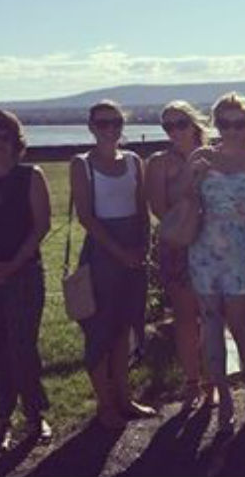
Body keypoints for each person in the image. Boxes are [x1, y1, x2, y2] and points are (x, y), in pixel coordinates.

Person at [184, 93, 245, 432]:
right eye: (224, 123)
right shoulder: (203, 155)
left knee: (240, 324)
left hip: (243, 247)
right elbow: (184, 199)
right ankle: (223, 398)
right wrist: (194, 177)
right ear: (215, 124)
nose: (232, 130)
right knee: (210, 325)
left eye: (239, 123)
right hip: (205, 247)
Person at [69, 101, 155, 429]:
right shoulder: (82, 164)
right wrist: (122, 253)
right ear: (91, 127)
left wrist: (142, 248)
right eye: (102, 123)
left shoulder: (134, 161)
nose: (110, 129)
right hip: (104, 254)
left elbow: (141, 210)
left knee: (124, 328)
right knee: (100, 330)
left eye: (115, 122)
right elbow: (86, 217)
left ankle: (124, 397)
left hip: (134, 253)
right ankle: (104, 405)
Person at [0, 109, 52, 450]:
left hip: (23, 274)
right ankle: (2, 420)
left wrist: (11, 266)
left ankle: (35, 416)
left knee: (22, 348)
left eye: (4, 136)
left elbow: (41, 226)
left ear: (15, 140)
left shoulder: (30, 176)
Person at [145, 101, 211, 408]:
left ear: (194, 123)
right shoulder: (159, 162)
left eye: (180, 123)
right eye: (168, 126)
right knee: (186, 319)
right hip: (179, 246)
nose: (174, 131)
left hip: (214, 245)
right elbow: (159, 209)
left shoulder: (214, 154)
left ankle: (215, 378)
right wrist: (189, 183)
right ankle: (192, 382)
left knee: (214, 317)